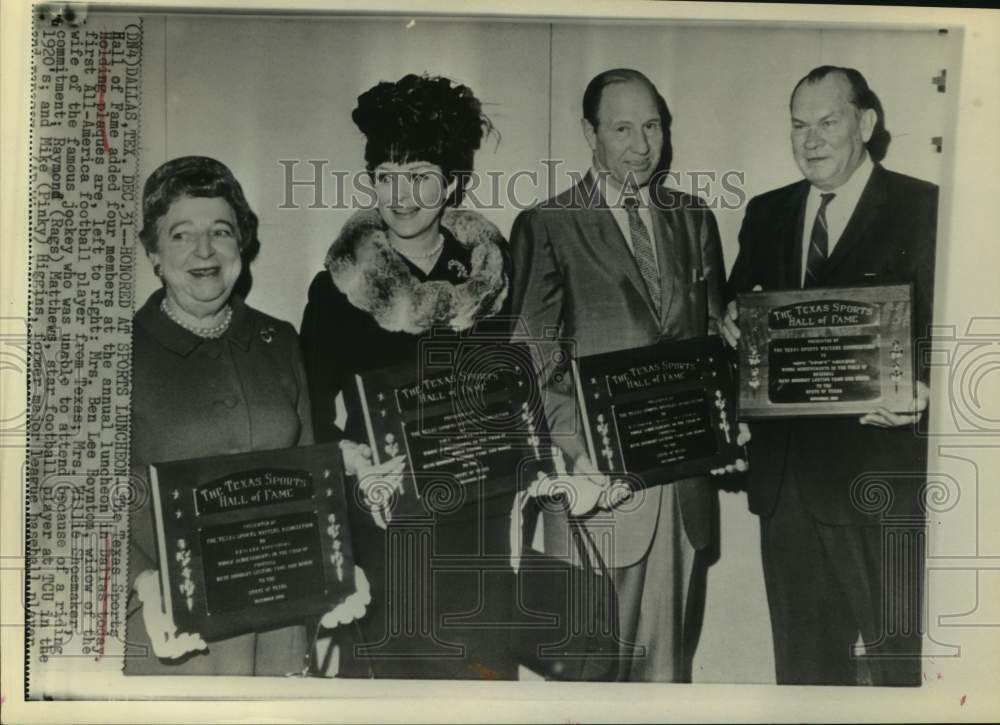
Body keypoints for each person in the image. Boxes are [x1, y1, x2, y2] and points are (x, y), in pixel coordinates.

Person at [508, 68, 735, 682]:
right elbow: (534, 359)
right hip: (596, 492)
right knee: (591, 677)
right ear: (590, 133)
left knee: (666, 676)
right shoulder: (548, 223)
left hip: (681, 489)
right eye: (622, 129)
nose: (641, 146)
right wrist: (580, 457)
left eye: (652, 127)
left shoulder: (693, 218)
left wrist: (726, 423)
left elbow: (715, 340)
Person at [722, 66, 938, 686]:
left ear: (865, 124)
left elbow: (956, 329)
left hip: (880, 479)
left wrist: (926, 393)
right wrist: (731, 323)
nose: (810, 139)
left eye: (827, 122)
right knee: (803, 676)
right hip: (786, 486)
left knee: (901, 671)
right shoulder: (767, 213)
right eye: (799, 125)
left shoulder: (925, 207)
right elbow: (739, 315)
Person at [300, 74, 514, 679]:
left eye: (420, 175)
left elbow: (509, 391)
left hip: (476, 520)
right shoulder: (337, 289)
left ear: (452, 182)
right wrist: (352, 461)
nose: (402, 195)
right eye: (387, 176)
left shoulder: (491, 278)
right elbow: (307, 412)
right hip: (383, 524)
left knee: (478, 689)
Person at [126, 156, 365, 676]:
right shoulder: (115, 353)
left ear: (241, 244)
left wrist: (337, 566)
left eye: (221, 231)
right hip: (174, 629)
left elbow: (309, 475)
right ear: (154, 253)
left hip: (280, 623)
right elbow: (83, 502)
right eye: (181, 234)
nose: (205, 250)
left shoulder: (279, 341)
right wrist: (141, 581)